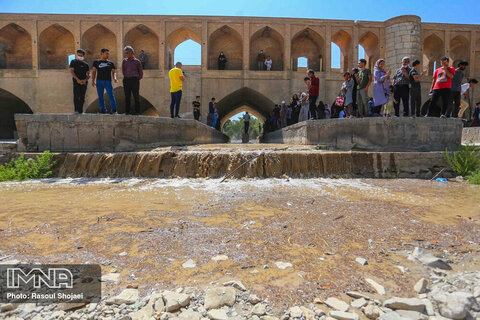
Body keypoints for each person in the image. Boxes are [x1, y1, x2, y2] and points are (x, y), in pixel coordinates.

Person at [91, 48, 118, 114]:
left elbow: (114, 72)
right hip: (99, 81)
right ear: (101, 54)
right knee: (100, 96)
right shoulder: (96, 62)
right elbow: (94, 72)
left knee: (110, 95)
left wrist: (114, 78)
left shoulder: (111, 63)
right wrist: (92, 81)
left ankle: (114, 110)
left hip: (108, 81)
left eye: (108, 54)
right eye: (106, 54)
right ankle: (102, 109)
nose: (107, 55)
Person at [122, 45, 143, 115]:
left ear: (131, 53)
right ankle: (127, 111)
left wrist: (136, 78)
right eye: (125, 53)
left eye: (127, 53)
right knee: (127, 96)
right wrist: (126, 77)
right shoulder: (124, 61)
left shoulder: (137, 61)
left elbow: (141, 73)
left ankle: (137, 112)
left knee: (136, 96)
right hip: (126, 80)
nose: (126, 54)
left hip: (134, 80)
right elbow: (123, 70)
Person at [69, 49, 90, 114]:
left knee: (82, 96)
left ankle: (81, 110)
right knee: (76, 96)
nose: (80, 56)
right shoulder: (73, 62)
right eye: (79, 55)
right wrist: (77, 79)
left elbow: (89, 74)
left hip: (84, 82)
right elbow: (72, 71)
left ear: (83, 56)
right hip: (76, 82)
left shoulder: (86, 64)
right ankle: (76, 110)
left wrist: (85, 80)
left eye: (81, 55)